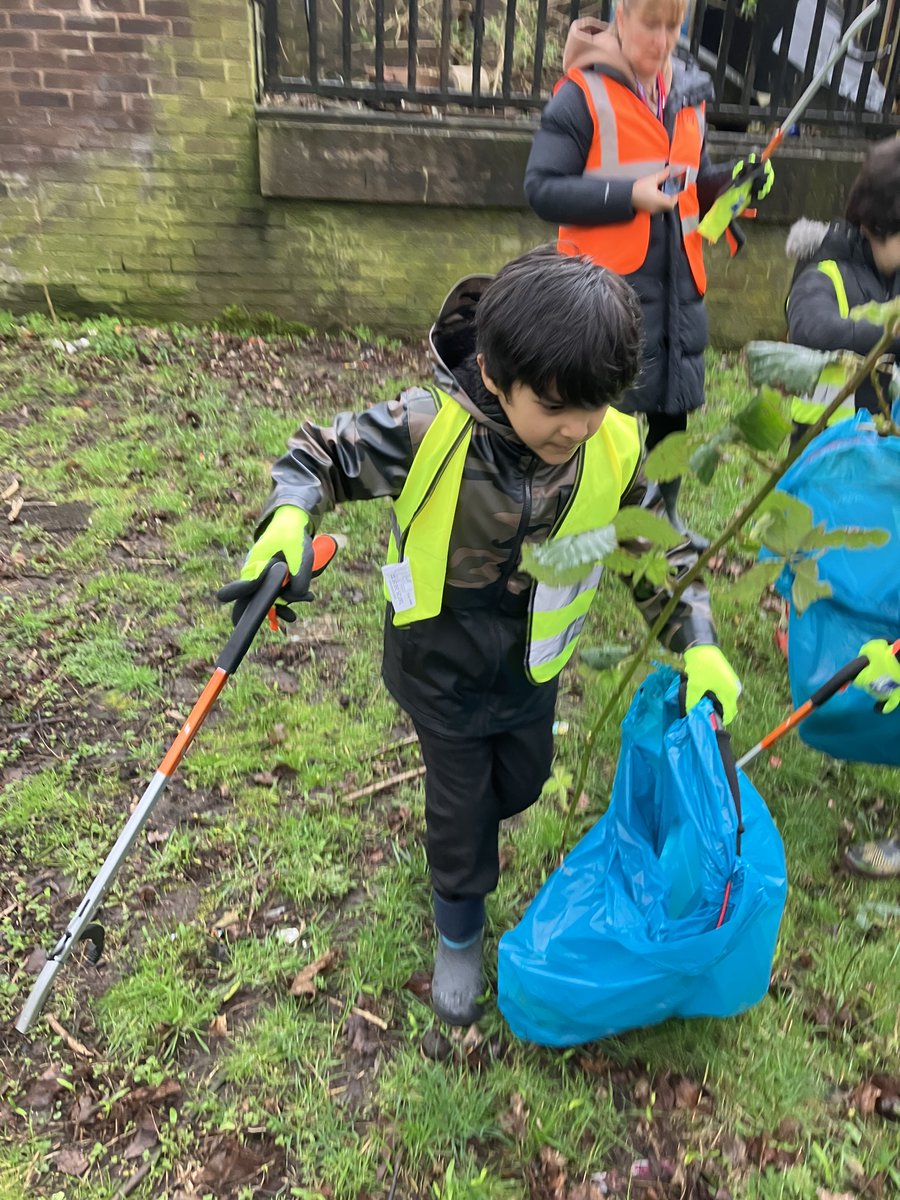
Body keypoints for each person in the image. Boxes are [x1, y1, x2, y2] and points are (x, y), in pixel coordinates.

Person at [220, 248, 741, 1026]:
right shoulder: (427, 428)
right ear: (497, 374)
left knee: (522, 783)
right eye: (559, 406)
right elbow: (320, 454)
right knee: (463, 812)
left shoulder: (611, 442)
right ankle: (457, 927)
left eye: (597, 404)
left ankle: (465, 835)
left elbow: (654, 544)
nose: (577, 427)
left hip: (533, 661)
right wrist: (288, 521)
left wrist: (696, 635)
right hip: (441, 658)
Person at [524, 0, 773, 551]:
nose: (662, 42)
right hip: (601, 290)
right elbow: (542, 187)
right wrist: (627, 197)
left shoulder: (687, 95)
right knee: (595, 413)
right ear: (620, 17)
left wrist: (735, 184)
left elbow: (694, 186)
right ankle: (581, 520)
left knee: (671, 407)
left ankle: (665, 521)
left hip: (678, 283)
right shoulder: (581, 94)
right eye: (650, 25)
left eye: (673, 28)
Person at [785, 136, 900, 442]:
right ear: (877, 225)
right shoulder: (824, 269)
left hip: (885, 460)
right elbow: (811, 330)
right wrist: (891, 333)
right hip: (825, 457)